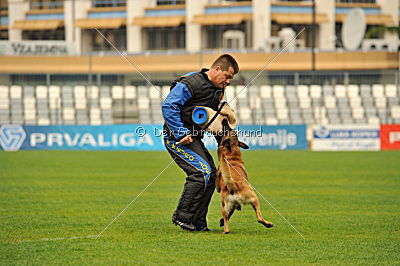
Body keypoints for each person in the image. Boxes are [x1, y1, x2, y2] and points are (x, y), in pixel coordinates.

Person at [162, 54, 239, 231]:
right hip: (176, 138)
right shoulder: (191, 83)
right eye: (227, 76)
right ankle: (182, 216)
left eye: (231, 79)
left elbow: (215, 120)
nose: (228, 81)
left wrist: (227, 143)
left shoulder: (219, 90)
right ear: (217, 69)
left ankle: (198, 222)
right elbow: (169, 106)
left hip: (194, 137)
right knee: (201, 172)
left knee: (211, 175)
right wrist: (180, 132)